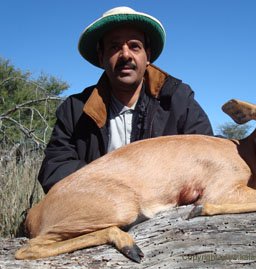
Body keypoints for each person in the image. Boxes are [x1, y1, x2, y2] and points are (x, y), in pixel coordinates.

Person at [38, 6, 213, 193]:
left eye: (134, 46)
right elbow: (54, 169)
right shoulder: (75, 109)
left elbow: (209, 156)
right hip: (99, 210)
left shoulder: (177, 100)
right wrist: (115, 179)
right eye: (114, 47)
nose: (126, 55)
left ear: (148, 56)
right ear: (101, 57)